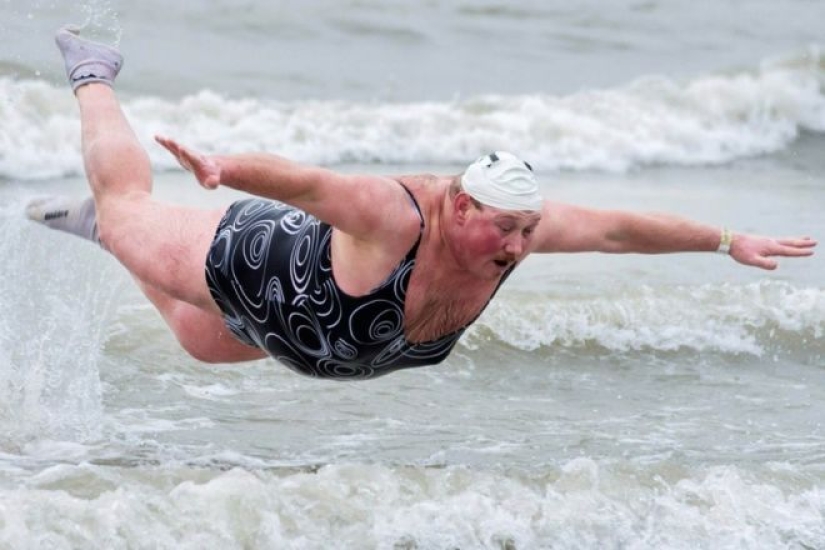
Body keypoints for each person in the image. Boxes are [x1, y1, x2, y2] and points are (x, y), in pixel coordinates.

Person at [29, 26, 817, 380]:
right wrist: (224, 168)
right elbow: (312, 185)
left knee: (202, 344)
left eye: (526, 230)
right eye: (504, 228)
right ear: (462, 207)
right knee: (132, 210)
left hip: (314, 339)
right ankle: (92, 74)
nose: (516, 246)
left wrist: (723, 240)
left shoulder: (523, 233)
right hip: (255, 266)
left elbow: (617, 230)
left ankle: (104, 235)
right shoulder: (397, 214)